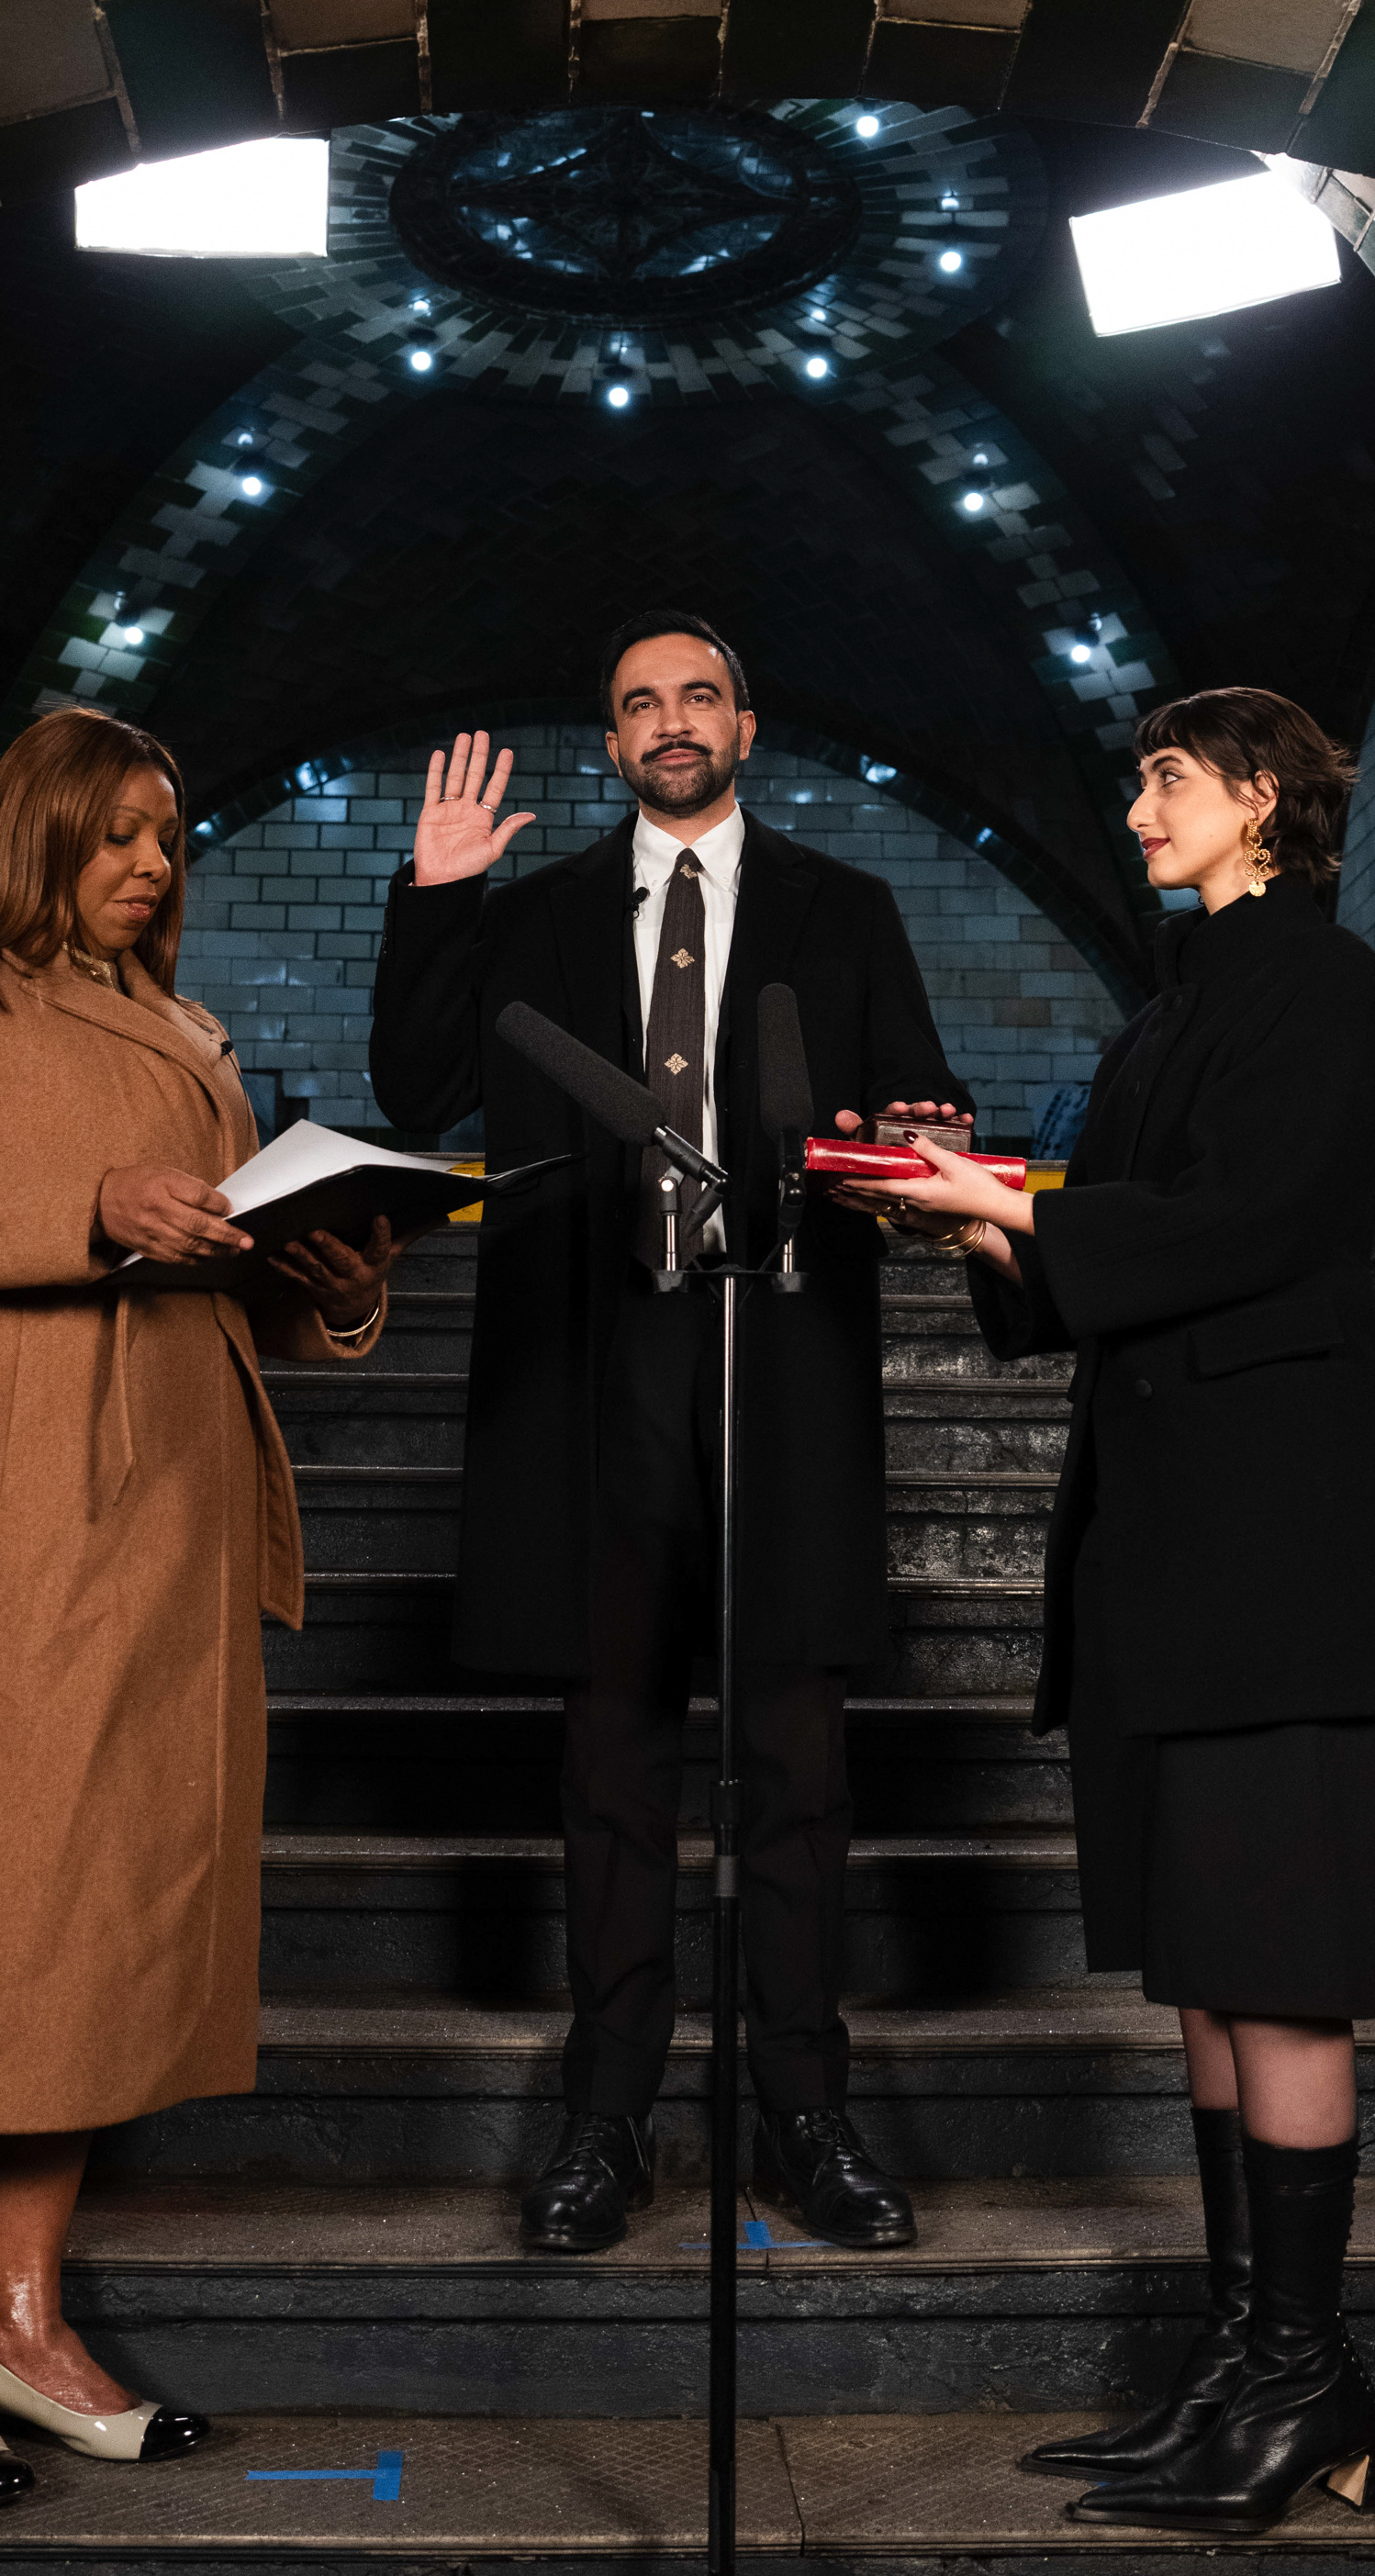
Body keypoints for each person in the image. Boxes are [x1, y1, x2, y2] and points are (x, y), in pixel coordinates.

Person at [0, 706, 397, 2511]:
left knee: (100, 1898)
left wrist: (323, 1274)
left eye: (169, 839)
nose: (149, 863)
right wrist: (90, 1200)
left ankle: (16, 2307)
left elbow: (219, 1267)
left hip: (158, 1514)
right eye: (115, 831)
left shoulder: (188, 1031)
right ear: (33, 825)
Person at [864, 688, 1375, 2534]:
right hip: (1166, 1536)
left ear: (1259, 794)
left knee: (1278, 1958)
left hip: (1273, 1530)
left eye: (1161, 775)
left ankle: (1307, 2367)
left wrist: (1028, 1206)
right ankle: (1239, 2351)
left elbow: (1253, 1217)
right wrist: (981, 1228)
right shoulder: (1172, 1006)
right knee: (1203, 1961)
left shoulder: (1315, 984)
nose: (1134, 802)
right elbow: (1112, 1247)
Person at [368, 615, 972, 2257]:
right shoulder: (538, 916)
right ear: (613, 742)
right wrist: (432, 895)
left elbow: (918, 1101)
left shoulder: (846, 911)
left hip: (779, 1364)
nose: (671, 721)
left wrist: (912, 1143)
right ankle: (606, 2118)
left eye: (698, 695)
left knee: (792, 1766)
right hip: (591, 1370)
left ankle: (808, 2112)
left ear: (749, 727)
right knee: (612, 1765)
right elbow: (415, 1088)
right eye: (639, 703)